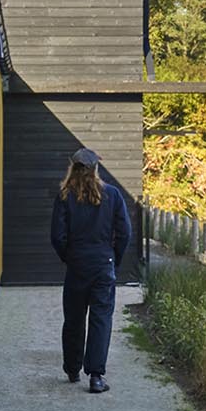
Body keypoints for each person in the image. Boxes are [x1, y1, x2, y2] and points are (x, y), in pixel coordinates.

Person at [50, 147, 130, 393]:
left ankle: (72, 369)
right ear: (96, 169)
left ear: (72, 169)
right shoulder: (113, 196)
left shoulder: (65, 197)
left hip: (77, 266)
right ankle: (96, 377)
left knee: (73, 318)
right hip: (103, 266)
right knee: (101, 319)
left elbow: (57, 236)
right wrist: (113, 259)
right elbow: (125, 233)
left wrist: (69, 257)